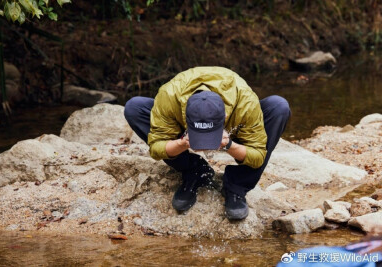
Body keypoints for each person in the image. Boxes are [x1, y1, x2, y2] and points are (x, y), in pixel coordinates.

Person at [124, 66, 290, 220]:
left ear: (225, 117)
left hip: (237, 119)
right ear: (184, 119)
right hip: (177, 117)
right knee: (134, 108)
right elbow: (156, 148)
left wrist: (229, 145)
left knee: (279, 107)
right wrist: (182, 144)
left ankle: (237, 186)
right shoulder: (169, 98)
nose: (204, 146)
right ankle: (194, 171)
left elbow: (258, 155)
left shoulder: (245, 102)